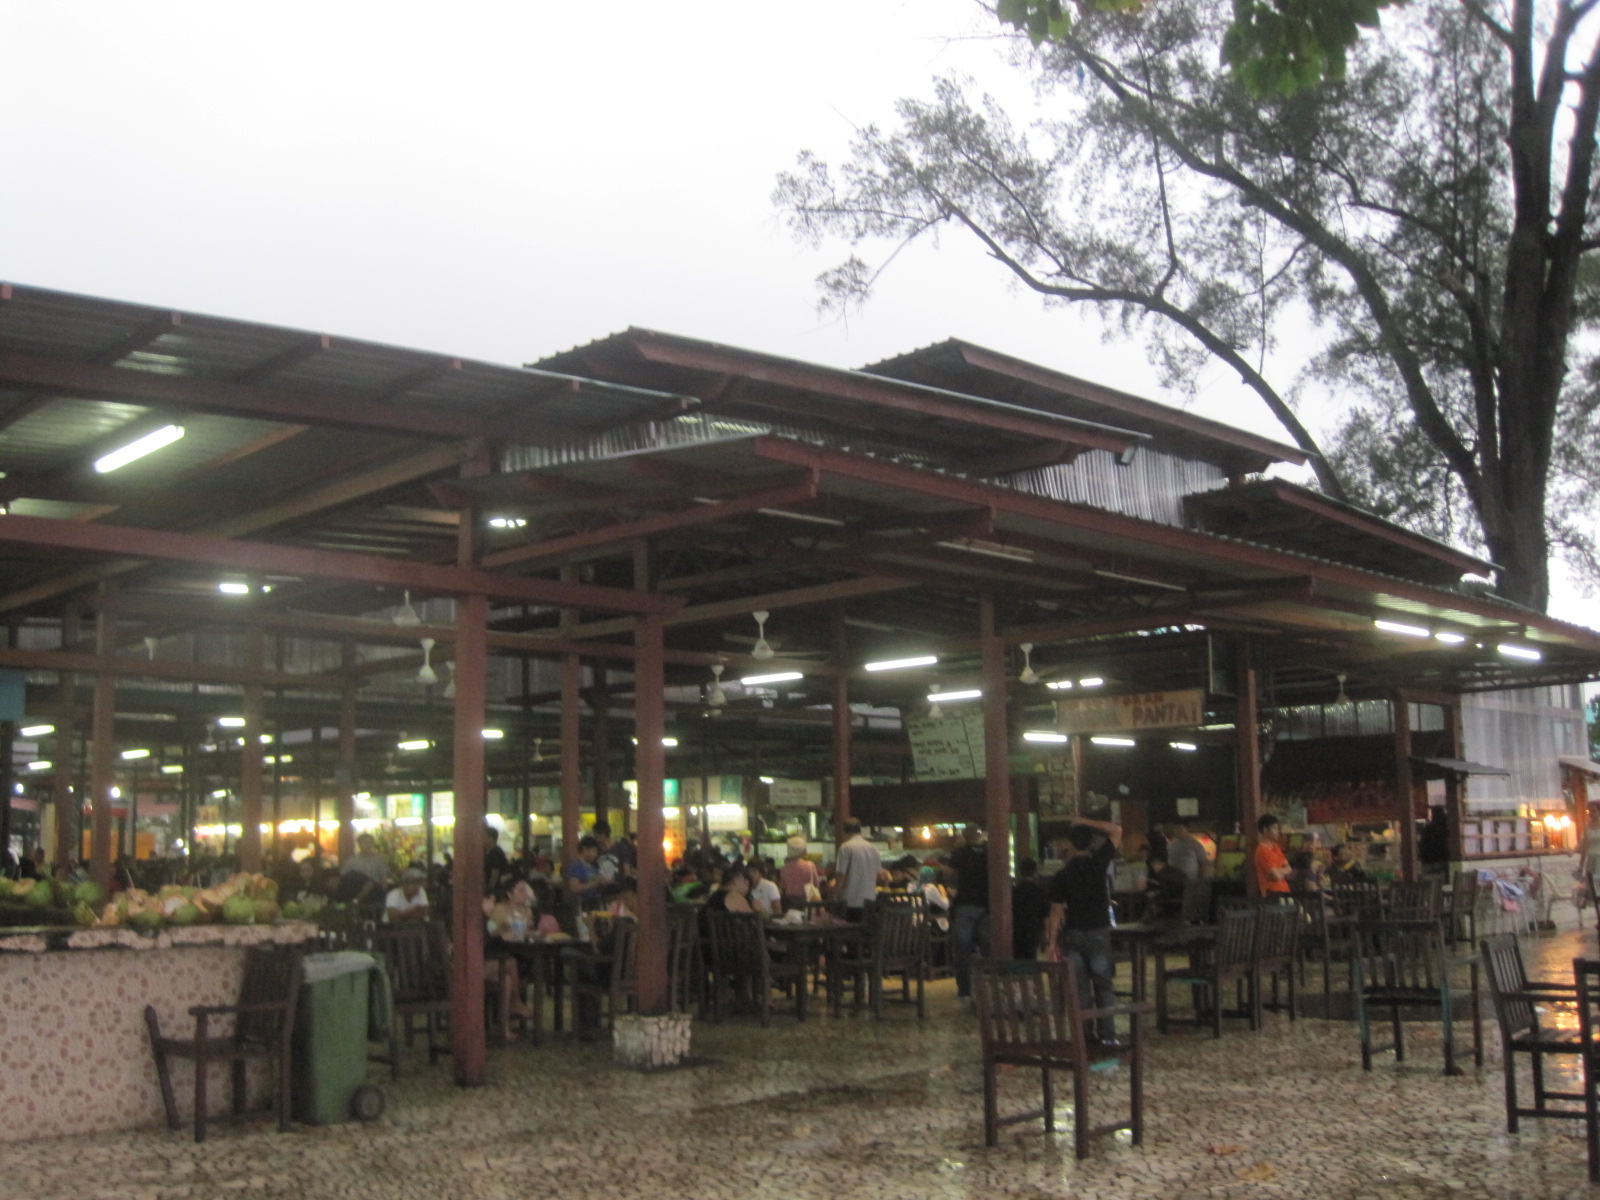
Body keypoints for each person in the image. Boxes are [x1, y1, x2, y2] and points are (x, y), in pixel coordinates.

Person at [1044, 816, 1123, 1044]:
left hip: (1074, 934)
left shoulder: (1062, 874)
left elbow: (1056, 911)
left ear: (1069, 846)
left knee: (1080, 989)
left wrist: (1051, 944)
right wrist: (1085, 821)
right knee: (1103, 985)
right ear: (1090, 844)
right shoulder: (1098, 863)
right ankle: (1108, 1036)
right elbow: (1116, 830)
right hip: (1098, 931)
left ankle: (1085, 1037)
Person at [949, 825, 991, 1002]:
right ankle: (989, 987)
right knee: (987, 947)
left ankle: (965, 991)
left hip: (964, 904)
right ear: (979, 835)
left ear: (964, 836)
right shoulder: (988, 853)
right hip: (986, 904)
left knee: (963, 949)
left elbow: (950, 875)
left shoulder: (959, 853)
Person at [833, 818, 880, 922]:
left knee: (846, 933)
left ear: (843, 831)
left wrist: (834, 896)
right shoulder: (873, 848)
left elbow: (841, 875)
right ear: (860, 830)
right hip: (870, 901)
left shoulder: (846, 848)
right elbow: (878, 874)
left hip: (850, 901)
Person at [1012, 857, 1049, 959]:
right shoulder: (1039, 891)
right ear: (1035, 872)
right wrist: (1046, 934)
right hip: (1033, 930)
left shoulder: (1014, 891)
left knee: (1017, 957)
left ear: (1020, 872)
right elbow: (1045, 915)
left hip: (1016, 930)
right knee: (1031, 958)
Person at [565, 836, 606, 912]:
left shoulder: (592, 866)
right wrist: (594, 883)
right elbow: (574, 888)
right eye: (594, 851)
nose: (595, 855)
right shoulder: (576, 866)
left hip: (595, 903)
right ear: (584, 850)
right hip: (584, 905)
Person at [1254, 814, 1291, 896]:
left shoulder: (1276, 847)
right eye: (1274, 828)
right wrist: (1281, 870)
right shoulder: (1263, 850)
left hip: (1284, 891)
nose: (1278, 831)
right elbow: (1275, 876)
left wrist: (1277, 870)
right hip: (1271, 894)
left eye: (1278, 828)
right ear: (1265, 830)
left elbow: (1289, 868)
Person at [779, 837, 820, 909]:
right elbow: (816, 884)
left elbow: (783, 886)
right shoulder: (810, 865)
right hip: (807, 902)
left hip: (790, 902)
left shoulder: (784, 868)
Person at [1418, 808, 1450, 875]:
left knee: (1431, 882)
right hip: (1444, 861)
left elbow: (1422, 846)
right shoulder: (1446, 828)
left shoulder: (1428, 829)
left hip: (1429, 862)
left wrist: (1423, 859)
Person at [484, 824, 510, 891]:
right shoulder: (490, 852)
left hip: (497, 889)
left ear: (491, 839)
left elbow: (495, 873)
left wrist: (490, 889)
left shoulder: (495, 853)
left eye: (484, 837)